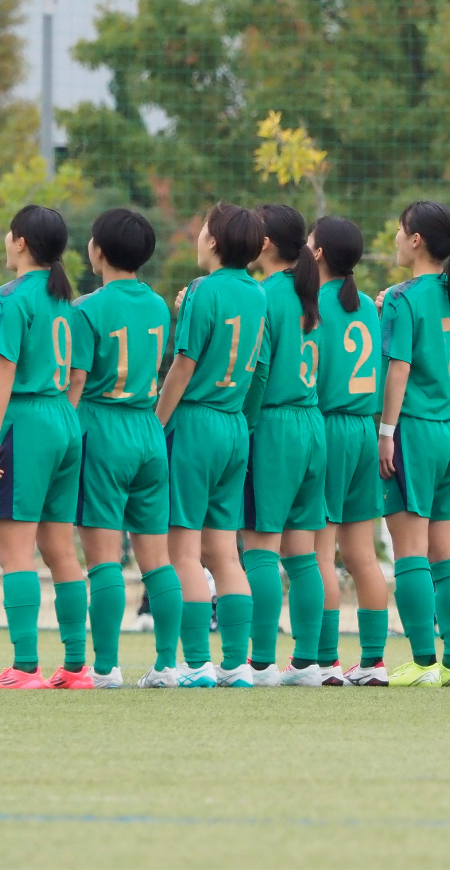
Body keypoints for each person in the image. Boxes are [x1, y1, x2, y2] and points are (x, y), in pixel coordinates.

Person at [0, 205, 86, 689]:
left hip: (27, 420)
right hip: (63, 419)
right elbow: (77, 373)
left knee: (14, 553)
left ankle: (23, 668)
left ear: (19, 241)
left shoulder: (10, 297)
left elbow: (5, 370)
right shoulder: (64, 298)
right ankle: (78, 668)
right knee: (60, 550)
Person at [66, 209, 181, 689]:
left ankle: (108, 666)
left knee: (104, 559)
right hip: (149, 431)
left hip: (103, 428)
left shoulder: (86, 310)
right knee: (157, 558)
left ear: (98, 251)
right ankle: (167, 665)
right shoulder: (157, 305)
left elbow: (76, 381)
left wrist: (65, 436)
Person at [156, 203, 268, 687]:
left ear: (215, 242)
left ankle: (197, 662)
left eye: (203, 229)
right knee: (224, 552)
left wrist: (155, 423)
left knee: (182, 551)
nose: (199, 236)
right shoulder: (258, 295)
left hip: (197, 423)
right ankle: (237, 663)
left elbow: (183, 365)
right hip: (233, 425)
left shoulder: (203, 290)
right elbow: (255, 364)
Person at [378, 201, 450, 688]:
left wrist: (386, 432)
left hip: (413, 429)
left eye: (399, 231)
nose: (395, 238)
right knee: (446, 551)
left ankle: (422, 661)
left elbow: (399, 369)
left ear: (416, 240)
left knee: (409, 551)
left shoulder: (402, 297)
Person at [240, 204, 328, 687]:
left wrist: (246, 426)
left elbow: (258, 372)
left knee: (261, 548)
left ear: (267, 244)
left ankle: (258, 663)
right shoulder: (308, 291)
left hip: (273, 427)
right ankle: (308, 662)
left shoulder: (266, 293)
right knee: (303, 553)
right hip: (312, 425)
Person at [308, 216, 389, 685]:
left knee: (321, 553)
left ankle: (324, 661)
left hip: (329, 427)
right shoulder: (368, 308)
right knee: (361, 554)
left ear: (318, 254)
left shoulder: (314, 303)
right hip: (363, 428)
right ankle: (374, 662)